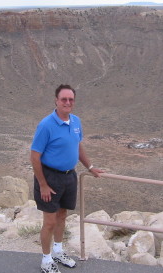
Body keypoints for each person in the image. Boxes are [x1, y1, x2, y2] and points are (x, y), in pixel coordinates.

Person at [30, 84, 104, 273]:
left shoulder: (76, 122)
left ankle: (58, 251)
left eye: (71, 99)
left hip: (69, 176)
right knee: (49, 222)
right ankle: (46, 260)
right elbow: (34, 156)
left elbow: (78, 147)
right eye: (64, 99)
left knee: (62, 215)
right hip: (50, 178)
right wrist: (43, 184)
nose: (67, 102)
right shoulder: (46, 125)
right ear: (56, 100)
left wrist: (91, 167)